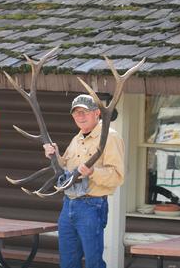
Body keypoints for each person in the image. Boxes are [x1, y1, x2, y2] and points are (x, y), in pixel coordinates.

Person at [43, 94, 125, 268]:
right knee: (67, 263)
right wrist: (54, 154)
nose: (80, 116)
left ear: (97, 113)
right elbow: (66, 169)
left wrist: (93, 172)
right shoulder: (77, 138)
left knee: (93, 263)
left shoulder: (110, 137)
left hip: (91, 206)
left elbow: (117, 176)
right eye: (76, 113)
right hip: (68, 205)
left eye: (85, 112)